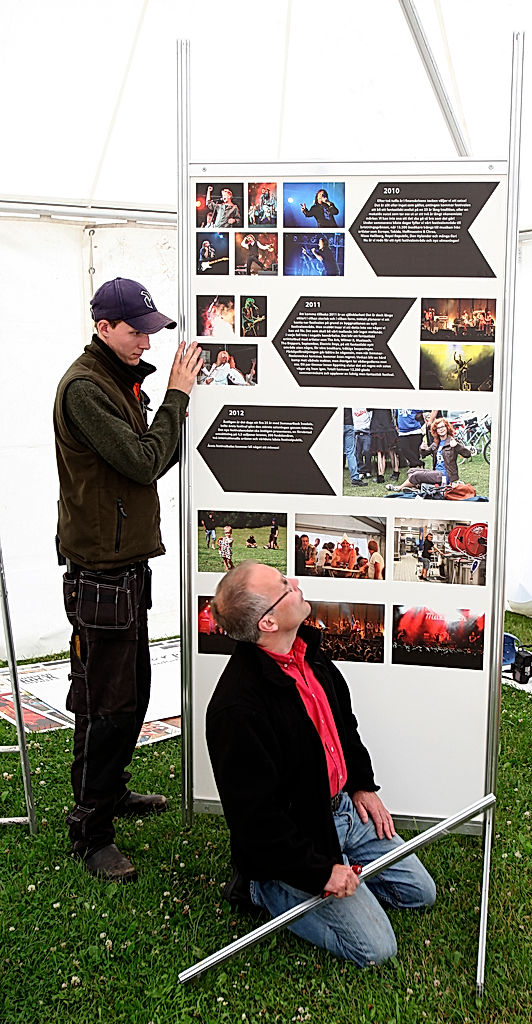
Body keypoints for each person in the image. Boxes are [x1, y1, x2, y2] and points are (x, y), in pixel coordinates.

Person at [206, 563, 436, 967]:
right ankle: (261, 887)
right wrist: (318, 872)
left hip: (342, 810)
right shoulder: (236, 709)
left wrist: (363, 785)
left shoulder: (309, 654)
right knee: (376, 949)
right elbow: (255, 821)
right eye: (283, 585)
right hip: (298, 836)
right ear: (268, 621)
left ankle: (345, 859)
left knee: (420, 893)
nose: (295, 583)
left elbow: (344, 729)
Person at [53, 276, 202, 882]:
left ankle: (109, 795)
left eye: (150, 329)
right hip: (100, 573)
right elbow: (144, 461)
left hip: (122, 567)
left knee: (128, 693)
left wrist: (161, 399)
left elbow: (144, 459)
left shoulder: (116, 381)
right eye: (136, 330)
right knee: (105, 703)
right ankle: (91, 830)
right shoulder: (86, 389)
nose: (147, 339)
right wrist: (177, 397)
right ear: (103, 327)